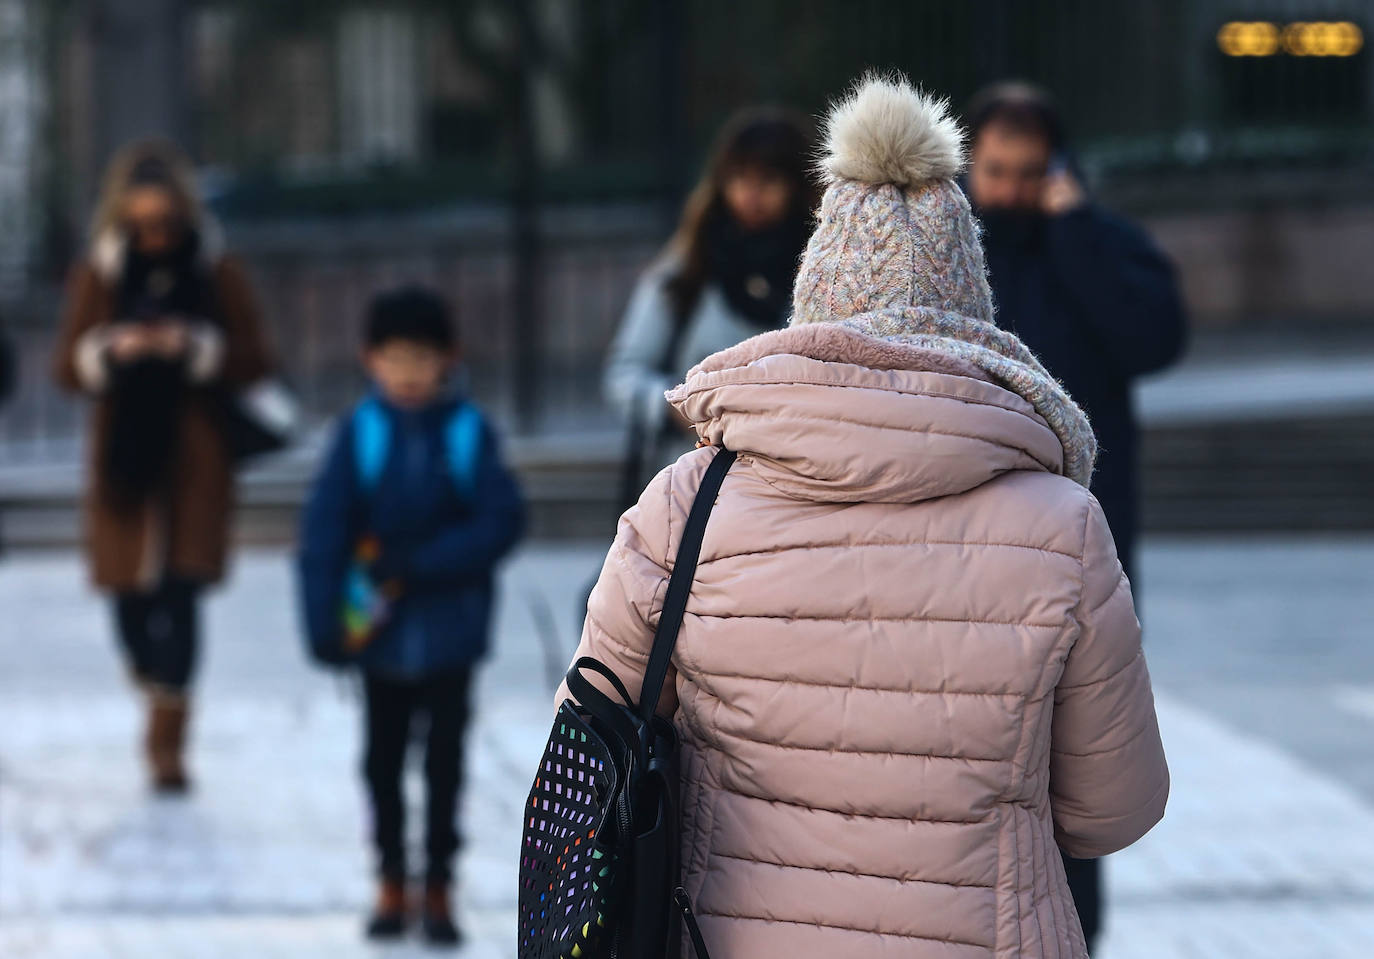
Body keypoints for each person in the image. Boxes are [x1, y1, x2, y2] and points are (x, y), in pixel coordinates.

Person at [561, 76, 1168, 958]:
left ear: (817, 300)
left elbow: (590, 748)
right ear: (971, 307)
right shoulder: (1064, 524)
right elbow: (1115, 806)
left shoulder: (687, 505)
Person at [965, 81, 1188, 952]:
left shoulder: (1096, 243)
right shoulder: (954, 259)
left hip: (1087, 560)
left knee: (1079, 757)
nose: (1012, 190)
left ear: (1059, 170)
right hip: (973, 554)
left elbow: (1155, 336)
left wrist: (1075, 228)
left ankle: (1073, 933)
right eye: (996, 171)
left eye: (1030, 173)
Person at [297, 286, 524, 946]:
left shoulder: (468, 433)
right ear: (370, 359)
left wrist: (420, 561)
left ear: (448, 358)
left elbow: (501, 521)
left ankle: (440, 884)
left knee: (445, 764)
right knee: (382, 762)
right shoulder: (359, 435)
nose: (408, 372)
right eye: (394, 357)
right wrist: (322, 624)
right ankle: (391, 878)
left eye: (421, 357)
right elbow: (322, 534)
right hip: (379, 636)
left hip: (453, 635)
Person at [51, 138, 273, 793]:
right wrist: (111, 347)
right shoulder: (101, 273)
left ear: (184, 215)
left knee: (180, 599)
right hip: (124, 464)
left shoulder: (214, 270)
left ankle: (167, 746)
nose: (153, 237)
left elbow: (256, 356)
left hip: (195, 462)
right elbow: (67, 366)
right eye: (140, 225)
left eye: (165, 224)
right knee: (129, 608)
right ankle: (157, 694)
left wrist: (194, 345)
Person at [604, 108, 816, 483]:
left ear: (796, 187)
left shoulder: (820, 274)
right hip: (692, 485)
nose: (750, 194)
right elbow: (624, 376)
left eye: (767, 180)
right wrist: (683, 408)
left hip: (794, 478)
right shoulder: (688, 270)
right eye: (738, 178)